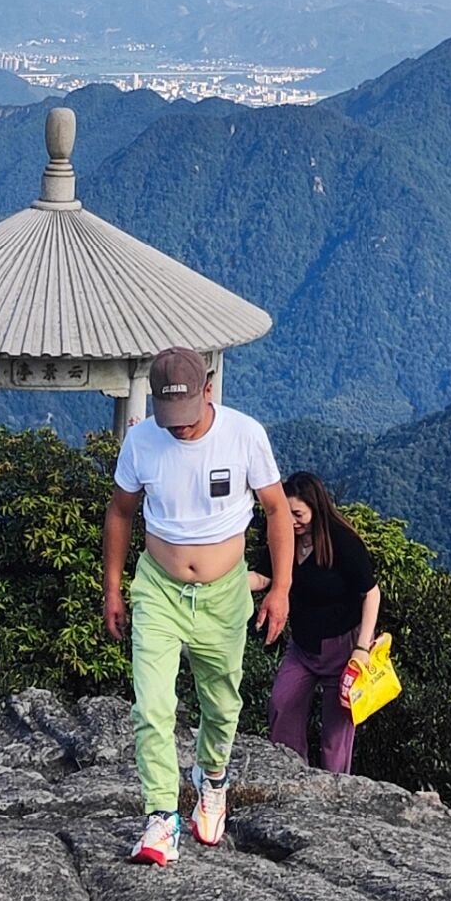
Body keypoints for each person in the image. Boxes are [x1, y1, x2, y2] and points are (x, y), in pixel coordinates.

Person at [102, 345, 293, 865]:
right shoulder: (142, 440)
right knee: (153, 706)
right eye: (170, 418)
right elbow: (120, 512)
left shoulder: (244, 435)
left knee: (222, 702)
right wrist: (114, 588)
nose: (179, 428)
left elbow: (276, 509)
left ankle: (212, 779)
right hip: (158, 587)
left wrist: (280, 589)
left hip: (224, 591)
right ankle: (160, 817)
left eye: (187, 417)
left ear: (209, 391)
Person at [259, 472, 381, 776]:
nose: (292, 522)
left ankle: (334, 795)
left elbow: (371, 592)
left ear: (316, 508)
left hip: (343, 649)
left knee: (335, 737)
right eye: (287, 514)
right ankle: (290, 775)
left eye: (298, 514)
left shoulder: (342, 540)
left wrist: (362, 648)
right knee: (281, 705)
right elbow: (264, 575)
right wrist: (224, 580)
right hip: (303, 646)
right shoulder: (283, 536)